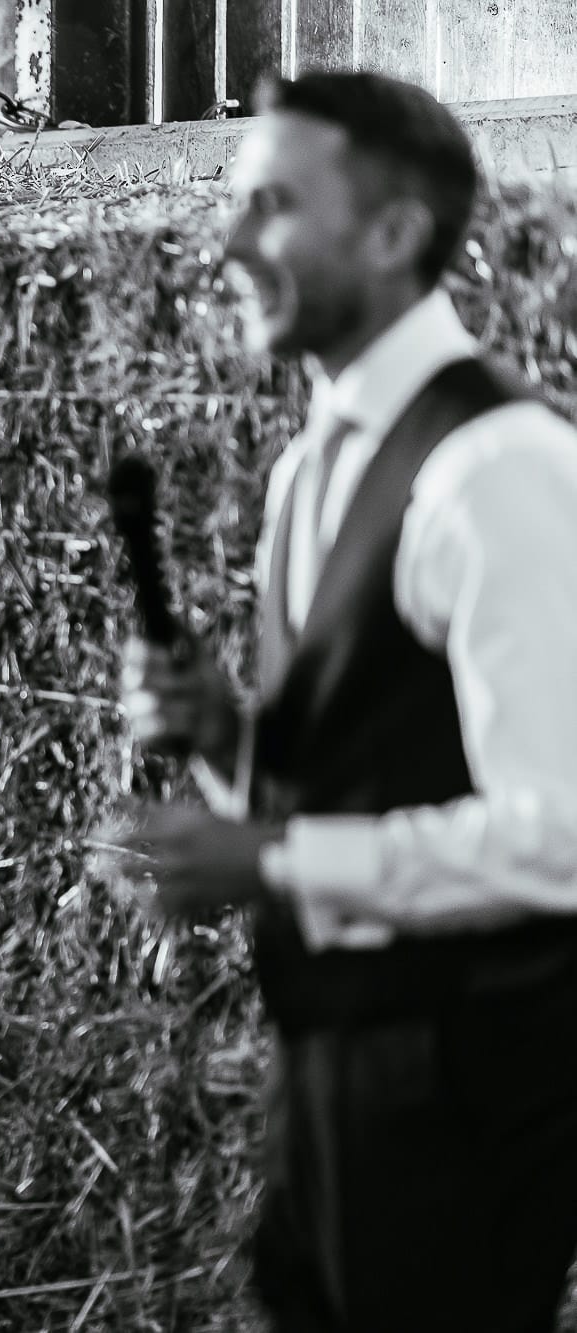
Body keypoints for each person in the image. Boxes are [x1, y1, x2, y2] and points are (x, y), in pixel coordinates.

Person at [114, 72, 577, 1331]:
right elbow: (370, 769)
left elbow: (559, 841)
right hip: (331, 1077)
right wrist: (227, 741)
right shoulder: (313, 463)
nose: (225, 242)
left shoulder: (499, 469)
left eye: (271, 205)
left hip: (460, 1093)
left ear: (391, 233)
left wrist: (267, 853)